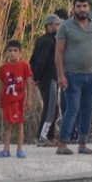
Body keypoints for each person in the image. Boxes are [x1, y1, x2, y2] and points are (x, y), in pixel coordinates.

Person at [55, 0, 92, 155]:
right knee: (72, 109)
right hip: (72, 76)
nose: (82, 9)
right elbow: (59, 52)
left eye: (85, 6)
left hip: (91, 76)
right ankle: (62, 144)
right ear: (74, 8)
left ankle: (83, 144)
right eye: (78, 6)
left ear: (89, 8)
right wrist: (61, 75)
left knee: (87, 110)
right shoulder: (65, 27)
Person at [0, 40, 32, 159]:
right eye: (10, 50)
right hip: (7, 100)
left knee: (19, 124)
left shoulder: (24, 66)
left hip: (19, 100)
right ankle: (6, 150)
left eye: (15, 51)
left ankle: (20, 149)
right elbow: (2, 84)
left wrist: (29, 98)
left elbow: (28, 83)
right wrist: (0, 98)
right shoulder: (3, 68)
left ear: (20, 52)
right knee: (8, 124)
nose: (12, 53)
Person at [29, 14, 62, 146]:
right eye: (57, 25)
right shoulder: (48, 41)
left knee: (54, 107)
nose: (58, 27)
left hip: (49, 78)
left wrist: (35, 76)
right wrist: (37, 77)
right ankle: (43, 136)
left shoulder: (43, 40)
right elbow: (40, 60)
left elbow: (32, 59)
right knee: (50, 107)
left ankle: (50, 136)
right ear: (50, 25)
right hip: (49, 78)